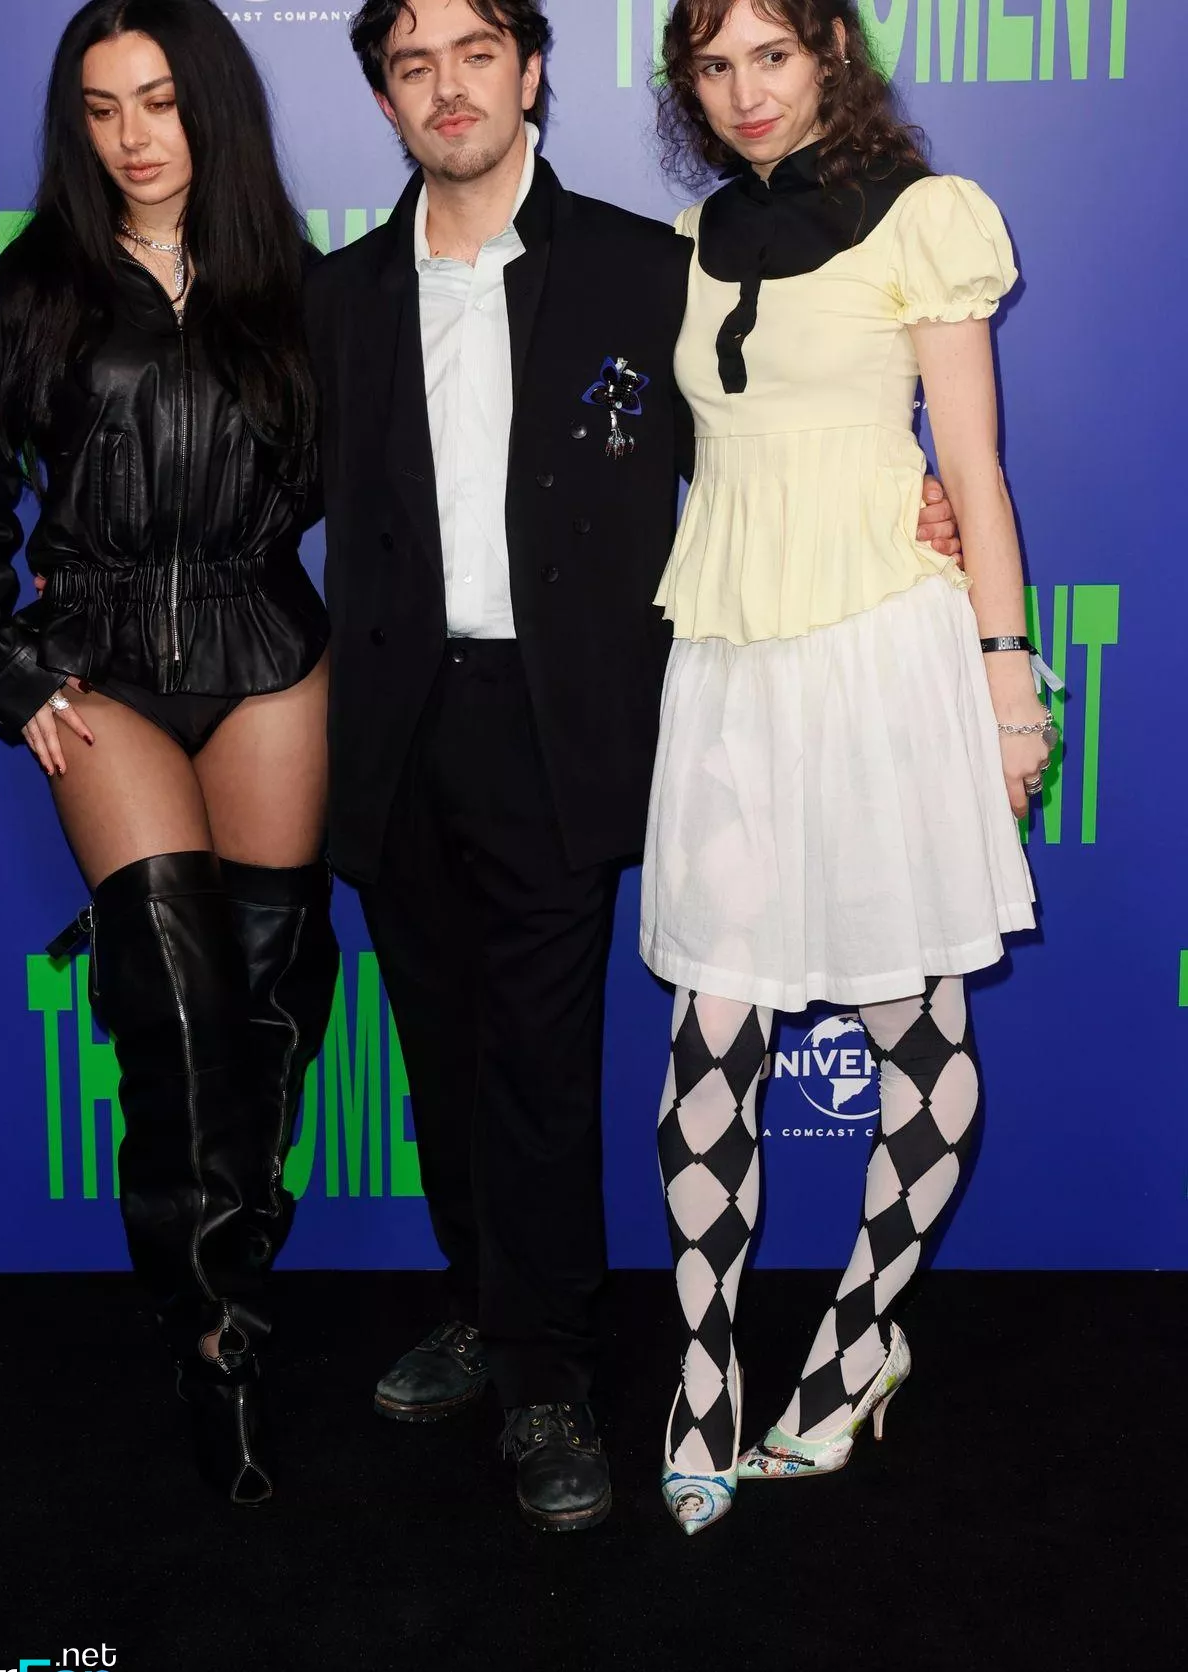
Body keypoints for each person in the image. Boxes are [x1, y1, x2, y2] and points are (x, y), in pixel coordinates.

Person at [310, 0, 960, 1531]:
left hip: (562, 720)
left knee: (541, 1064)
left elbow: (758, 440)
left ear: (530, 72)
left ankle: (547, 1374)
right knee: (440, 1048)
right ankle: (479, 1303)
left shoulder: (639, 265)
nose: (448, 88)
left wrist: (912, 502)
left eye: (477, 53)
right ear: (386, 100)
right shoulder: (334, 295)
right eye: (414, 65)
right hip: (396, 725)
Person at [0, 0, 338, 1508]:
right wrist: (9, 664)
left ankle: (239, 1282)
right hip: (100, 668)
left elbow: (399, 479)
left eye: (157, 101)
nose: (132, 137)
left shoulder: (297, 284)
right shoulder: (35, 284)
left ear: (208, 101)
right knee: (174, 1005)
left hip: (268, 649)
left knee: (269, 1009)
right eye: (100, 110)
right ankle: (210, 1333)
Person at [641, 0, 1052, 1536]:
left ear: (829, 54)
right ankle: (702, 1375)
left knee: (915, 1029)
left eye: (772, 54)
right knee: (712, 1028)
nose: (744, 90)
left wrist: (1010, 687)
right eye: (713, 64)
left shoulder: (926, 218)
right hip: (730, 665)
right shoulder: (685, 242)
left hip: (882, 656)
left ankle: (861, 1338)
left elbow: (975, 470)